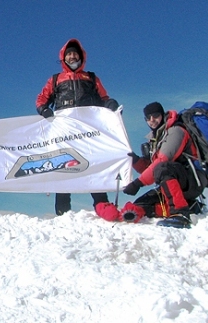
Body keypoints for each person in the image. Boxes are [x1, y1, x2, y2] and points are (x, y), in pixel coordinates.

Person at [35, 38, 119, 216]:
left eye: (75, 53)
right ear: (63, 58)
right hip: (64, 132)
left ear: (81, 56)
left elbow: (104, 98)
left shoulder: (91, 78)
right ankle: (63, 214)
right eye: (69, 54)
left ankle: (103, 207)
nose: (72, 57)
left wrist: (110, 104)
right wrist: (43, 110)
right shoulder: (56, 80)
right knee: (65, 167)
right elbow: (41, 99)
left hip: (88, 132)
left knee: (92, 165)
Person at [123, 102, 208, 228]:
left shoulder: (176, 131)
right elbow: (151, 169)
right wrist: (136, 161)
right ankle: (191, 207)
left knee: (163, 168)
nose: (152, 120)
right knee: (141, 204)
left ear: (163, 115)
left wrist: (137, 184)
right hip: (174, 183)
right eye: (148, 118)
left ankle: (181, 214)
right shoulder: (157, 137)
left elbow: (162, 162)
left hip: (192, 181)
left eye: (155, 115)